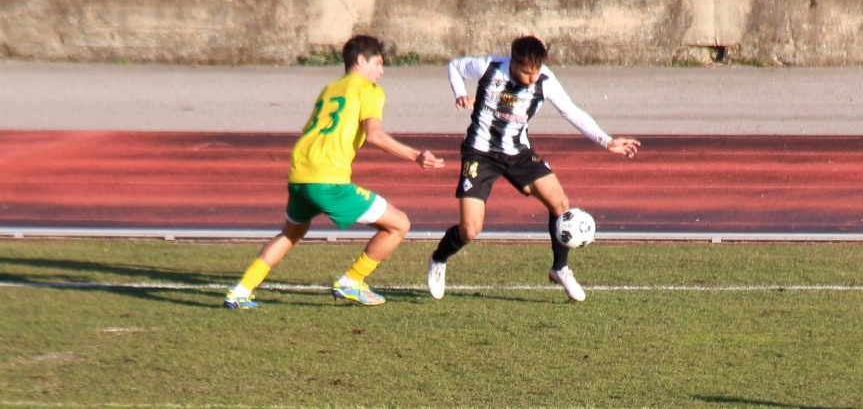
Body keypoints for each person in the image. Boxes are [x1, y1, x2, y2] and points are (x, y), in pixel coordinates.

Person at [224, 35, 445, 309]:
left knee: (291, 233)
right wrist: (416, 156)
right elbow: (374, 134)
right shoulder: (369, 89)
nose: (382, 71)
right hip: (327, 179)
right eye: (378, 63)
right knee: (399, 224)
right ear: (362, 60)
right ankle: (351, 282)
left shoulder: (330, 88)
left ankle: (240, 291)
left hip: (299, 173)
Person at [426, 35, 640, 302]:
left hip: (518, 153)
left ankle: (560, 268)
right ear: (513, 62)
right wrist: (460, 93)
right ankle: (438, 259)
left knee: (560, 202)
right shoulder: (489, 67)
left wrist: (606, 141)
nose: (531, 78)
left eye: (535, 72)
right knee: (470, 230)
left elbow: (571, 111)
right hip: (480, 154)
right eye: (526, 72)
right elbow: (455, 67)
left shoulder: (545, 80)